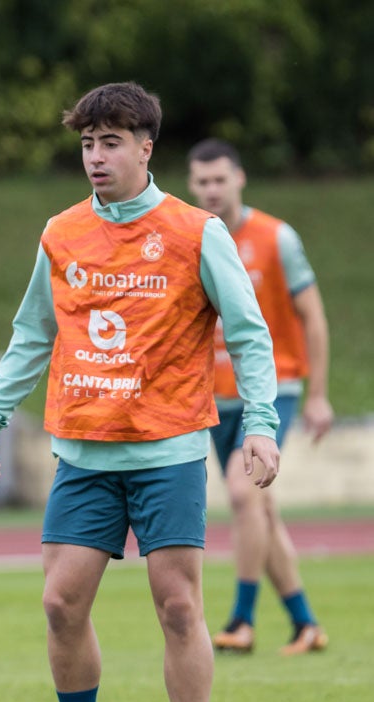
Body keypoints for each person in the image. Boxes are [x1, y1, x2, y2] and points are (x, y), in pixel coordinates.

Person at [0, 82, 282, 702]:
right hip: (81, 452)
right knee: (58, 602)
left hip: (167, 451)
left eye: (110, 142)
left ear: (145, 147)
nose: (95, 157)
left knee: (176, 608)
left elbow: (248, 333)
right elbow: (32, 332)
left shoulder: (195, 231)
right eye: (86, 144)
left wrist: (260, 422)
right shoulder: (61, 232)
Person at [186, 139, 333, 656]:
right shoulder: (188, 236)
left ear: (239, 179)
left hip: (274, 389)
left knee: (246, 495)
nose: (210, 190)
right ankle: (305, 623)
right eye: (201, 181)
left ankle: (242, 621)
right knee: (260, 512)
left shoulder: (276, 238)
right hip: (210, 397)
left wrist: (318, 395)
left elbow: (313, 317)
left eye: (219, 180)